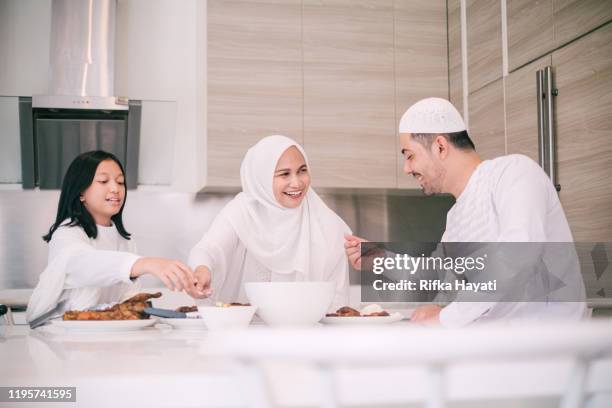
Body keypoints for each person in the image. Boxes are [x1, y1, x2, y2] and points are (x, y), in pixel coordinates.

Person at [345, 97, 586, 327]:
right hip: (500, 351)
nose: (407, 168)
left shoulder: (514, 172)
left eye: (410, 156)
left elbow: (518, 255)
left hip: (550, 351)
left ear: (440, 146)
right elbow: (437, 275)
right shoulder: (456, 218)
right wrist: (380, 259)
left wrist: (446, 318)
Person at [27, 151, 205, 327]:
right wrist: (146, 264)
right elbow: (78, 265)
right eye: (104, 181)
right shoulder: (67, 232)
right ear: (81, 191)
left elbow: (125, 297)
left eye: (120, 182)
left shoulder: (125, 241)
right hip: (58, 340)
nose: (116, 188)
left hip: (102, 338)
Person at [189, 135, 351, 309]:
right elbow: (209, 248)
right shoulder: (242, 211)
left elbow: (338, 301)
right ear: (262, 178)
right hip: (242, 329)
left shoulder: (327, 224)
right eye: (284, 174)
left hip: (306, 332)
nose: (296, 182)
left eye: (302, 171)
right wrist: (202, 268)